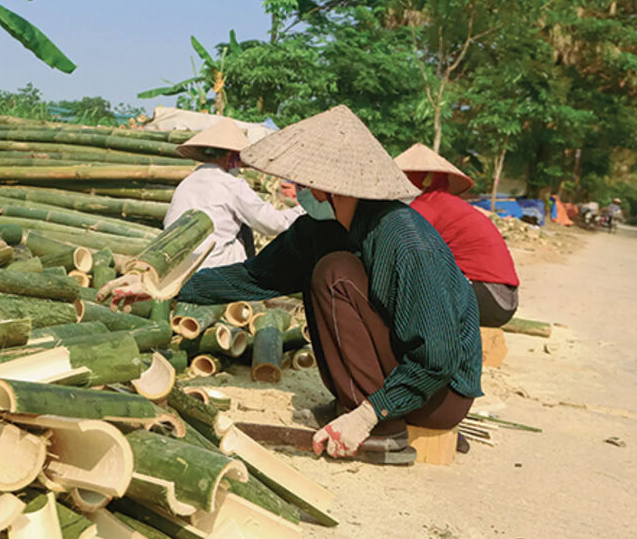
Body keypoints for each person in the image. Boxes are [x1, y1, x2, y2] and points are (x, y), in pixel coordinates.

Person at [100, 106, 482, 459]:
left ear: (324, 187)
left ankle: (384, 426)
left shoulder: (403, 239)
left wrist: (369, 414)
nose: (297, 190)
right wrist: (165, 286)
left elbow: (437, 358)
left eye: (301, 182)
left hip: (439, 394)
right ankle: (355, 401)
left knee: (335, 274)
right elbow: (254, 275)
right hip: (406, 378)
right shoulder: (321, 231)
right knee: (325, 270)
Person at [394, 144, 519, 327]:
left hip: (490, 298)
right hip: (505, 299)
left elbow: (404, 250)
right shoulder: (443, 203)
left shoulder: (427, 206)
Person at [165, 119, 304, 270]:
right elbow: (273, 224)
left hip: (178, 270)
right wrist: (304, 210)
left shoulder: (186, 184)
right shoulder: (231, 185)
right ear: (230, 156)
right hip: (215, 269)